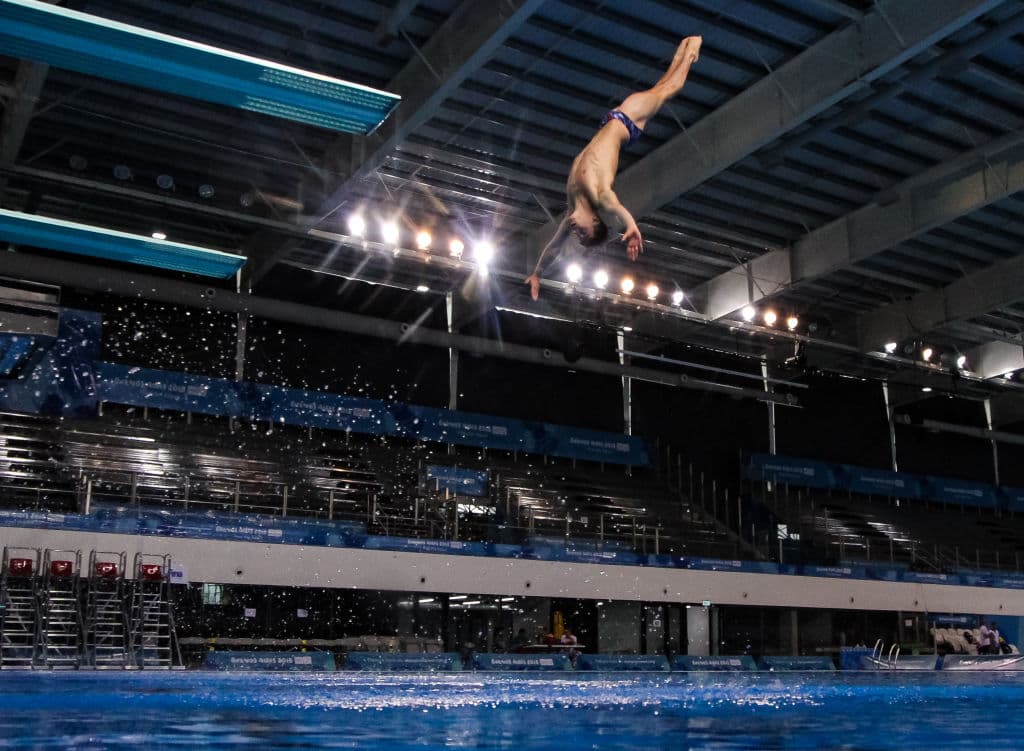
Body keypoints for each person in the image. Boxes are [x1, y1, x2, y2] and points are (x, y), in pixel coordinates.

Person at [525, 35, 703, 301]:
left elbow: (554, 248)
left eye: (577, 234)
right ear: (595, 220)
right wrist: (631, 225)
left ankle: (686, 48)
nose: (575, 230)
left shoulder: (572, 205)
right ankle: (691, 53)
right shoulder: (598, 194)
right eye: (583, 232)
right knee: (667, 89)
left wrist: (538, 272)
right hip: (628, 122)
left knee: (662, 86)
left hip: (613, 118)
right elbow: (617, 206)